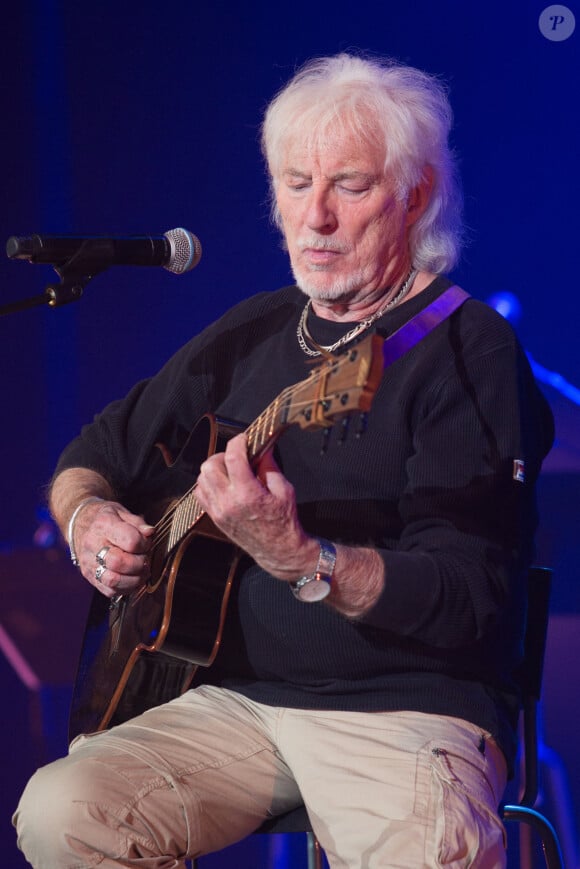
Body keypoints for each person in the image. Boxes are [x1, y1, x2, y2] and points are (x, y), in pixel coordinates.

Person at [14, 53, 554, 868]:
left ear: (414, 195)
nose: (318, 218)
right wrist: (90, 519)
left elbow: (473, 599)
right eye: (297, 184)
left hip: (404, 708)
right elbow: (92, 454)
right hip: (235, 706)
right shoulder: (255, 330)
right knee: (64, 811)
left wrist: (302, 559)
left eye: (351, 185)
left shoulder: (466, 347)